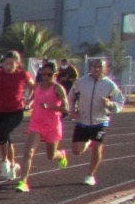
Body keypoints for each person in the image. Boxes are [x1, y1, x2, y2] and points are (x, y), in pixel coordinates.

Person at [14, 61, 70, 192]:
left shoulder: (58, 88)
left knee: (50, 156)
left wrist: (50, 107)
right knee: (28, 152)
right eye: (43, 74)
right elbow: (33, 98)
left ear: (55, 75)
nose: (45, 77)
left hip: (52, 125)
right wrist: (28, 103)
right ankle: (23, 182)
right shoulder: (37, 86)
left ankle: (61, 155)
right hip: (36, 124)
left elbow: (66, 108)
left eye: (49, 74)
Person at [68, 57, 125, 187]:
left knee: (97, 147)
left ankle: (90, 175)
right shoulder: (81, 82)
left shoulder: (110, 85)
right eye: (94, 66)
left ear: (105, 69)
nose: (96, 69)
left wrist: (110, 104)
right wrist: (72, 110)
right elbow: (71, 97)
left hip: (101, 121)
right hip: (82, 121)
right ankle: (89, 141)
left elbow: (120, 102)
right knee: (77, 151)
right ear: (90, 68)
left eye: (99, 67)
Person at [0, 50, 34, 180]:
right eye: (6, 63)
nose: (8, 66)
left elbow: (35, 87)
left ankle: (5, 162)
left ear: (17, 64)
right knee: (4, 139)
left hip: (16, 111)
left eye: (11, 64)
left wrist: (30, 101)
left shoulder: (23, 75)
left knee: (3, 134)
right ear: (2, 64)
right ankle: (13, 165)